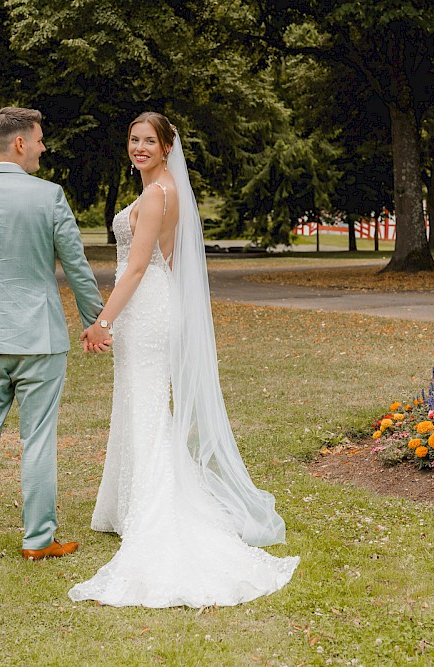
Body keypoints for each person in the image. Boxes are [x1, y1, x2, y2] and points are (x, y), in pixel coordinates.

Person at [69, 112, 298, 608]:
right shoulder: (169, 190)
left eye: (149, 140)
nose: (139, 147)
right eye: (133, 139)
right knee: (140, 405)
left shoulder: (156, 195)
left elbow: (133, 269)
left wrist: (102, 322)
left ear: (168, 146)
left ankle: (155, 513)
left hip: (145, 307)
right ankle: (127, 506)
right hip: (156, 303)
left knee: (147, 409)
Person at [0, 107, 111, 562]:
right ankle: (37, 541)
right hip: (39, 339)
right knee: (38, 438)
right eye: (38, 139)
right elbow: (75, 266)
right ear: (19, 143)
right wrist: (95, 321)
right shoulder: (49, 196)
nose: (42, 147)